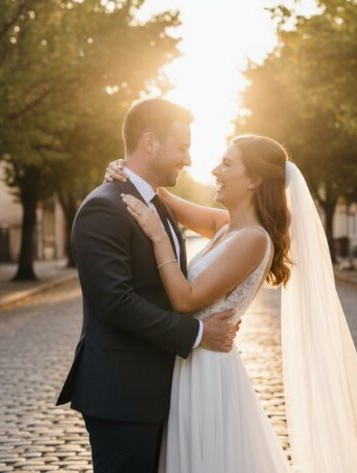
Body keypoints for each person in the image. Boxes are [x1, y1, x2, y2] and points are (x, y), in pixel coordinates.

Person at [104, 132, 357, 472]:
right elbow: (162, 199)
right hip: (192, 363)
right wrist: (129, 173)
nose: (215, 170)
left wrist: (157, 237)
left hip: (207, 371)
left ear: (254, 179)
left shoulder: (254, 239)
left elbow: (185, 299)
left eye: (226, 164)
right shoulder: (227, 227)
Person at [56, 98, 240, 473]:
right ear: (151, 143)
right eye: (182, 147)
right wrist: (198, 333)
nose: (188, 160)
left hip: (161, 391)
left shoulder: (158, 204)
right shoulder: (103, 208)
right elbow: (115, 302)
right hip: (122, 396)